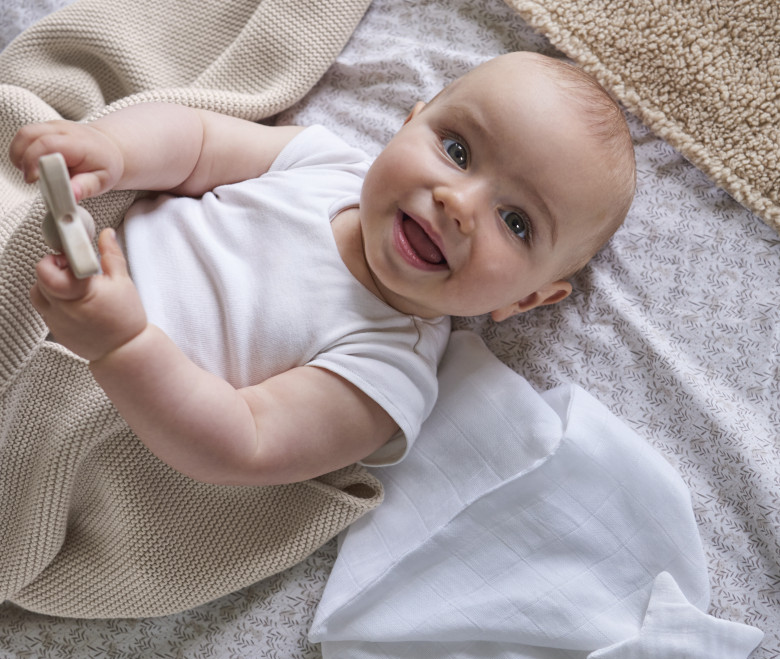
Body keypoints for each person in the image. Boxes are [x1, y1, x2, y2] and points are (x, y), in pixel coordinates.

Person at [9, 52, 636, 487]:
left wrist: (123, 346)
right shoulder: (325, 164)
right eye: (457, 150)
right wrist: (115, 149)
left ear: (526, 300)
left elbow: (243, 443)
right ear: (409, 122)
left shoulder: (386, 370)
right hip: (39, 265)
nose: (458, 204)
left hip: (81, 388)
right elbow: (196, 143)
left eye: (516, 222)